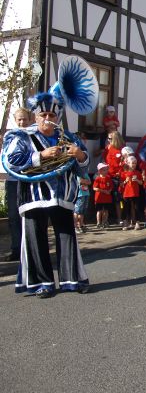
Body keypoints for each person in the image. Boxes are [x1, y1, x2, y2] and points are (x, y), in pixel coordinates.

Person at [2, 91, 90, 298]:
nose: (48, 119)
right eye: (43, 115)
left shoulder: (69, 137)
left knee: (67, 236)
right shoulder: (22, 136)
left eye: (52, 115)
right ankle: (42, 283)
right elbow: (11, 161)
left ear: (57, 117)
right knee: (35, 238)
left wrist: (79, 155)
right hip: (34, 196)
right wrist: (40, 155)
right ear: (36, 116)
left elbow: (83, 168)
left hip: (62, 195)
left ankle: (71, 280)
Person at [3, 107, 31, 261]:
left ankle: (29, 250)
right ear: (15, 120)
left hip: (28, 180)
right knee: (13, 216)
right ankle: (16, 249)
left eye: (25, 119)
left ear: (30, 120)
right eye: (19, 119)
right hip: (12, 181)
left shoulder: (33, 135)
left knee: (28, 216)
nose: (22, 122)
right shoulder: (10, 136)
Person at [104, 131, 125, 225]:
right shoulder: (108, 148)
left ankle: (120, 218)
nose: (108, 140)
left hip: (119, 177)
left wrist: (120, 173)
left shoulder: (122, 149)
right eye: (108, 138)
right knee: (107, 198)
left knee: (118, 199)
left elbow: (125, 162)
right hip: (109, 176)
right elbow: (105, 160)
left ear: (115, 139)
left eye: (110, 138)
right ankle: (106, 219)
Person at [120, 155, 144, 230]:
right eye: (132, 163)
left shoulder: (137, 172)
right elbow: (121, 184)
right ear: (128, 163)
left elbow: (141, 183)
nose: (134, 165)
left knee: (137, 208)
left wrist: (137, 180)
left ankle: (137, 223)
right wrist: (125, 181)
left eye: (135, 163)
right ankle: (125, 223)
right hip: (126, 194)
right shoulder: (123, 173)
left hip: (135, 193)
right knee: (126, 208)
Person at [93, 162, 113, 229]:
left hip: (107, 198)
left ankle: (105, 222)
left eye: (107, 169)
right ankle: (98, 223)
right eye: (104, 170)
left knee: (106, 210)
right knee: (99, 211)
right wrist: (103, 191)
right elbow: (94, 188)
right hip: (99, 199)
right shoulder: (97, 179)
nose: (106, 171)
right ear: (100, 171)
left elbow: (111, 186)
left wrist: (109, 191)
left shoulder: (108, 178)